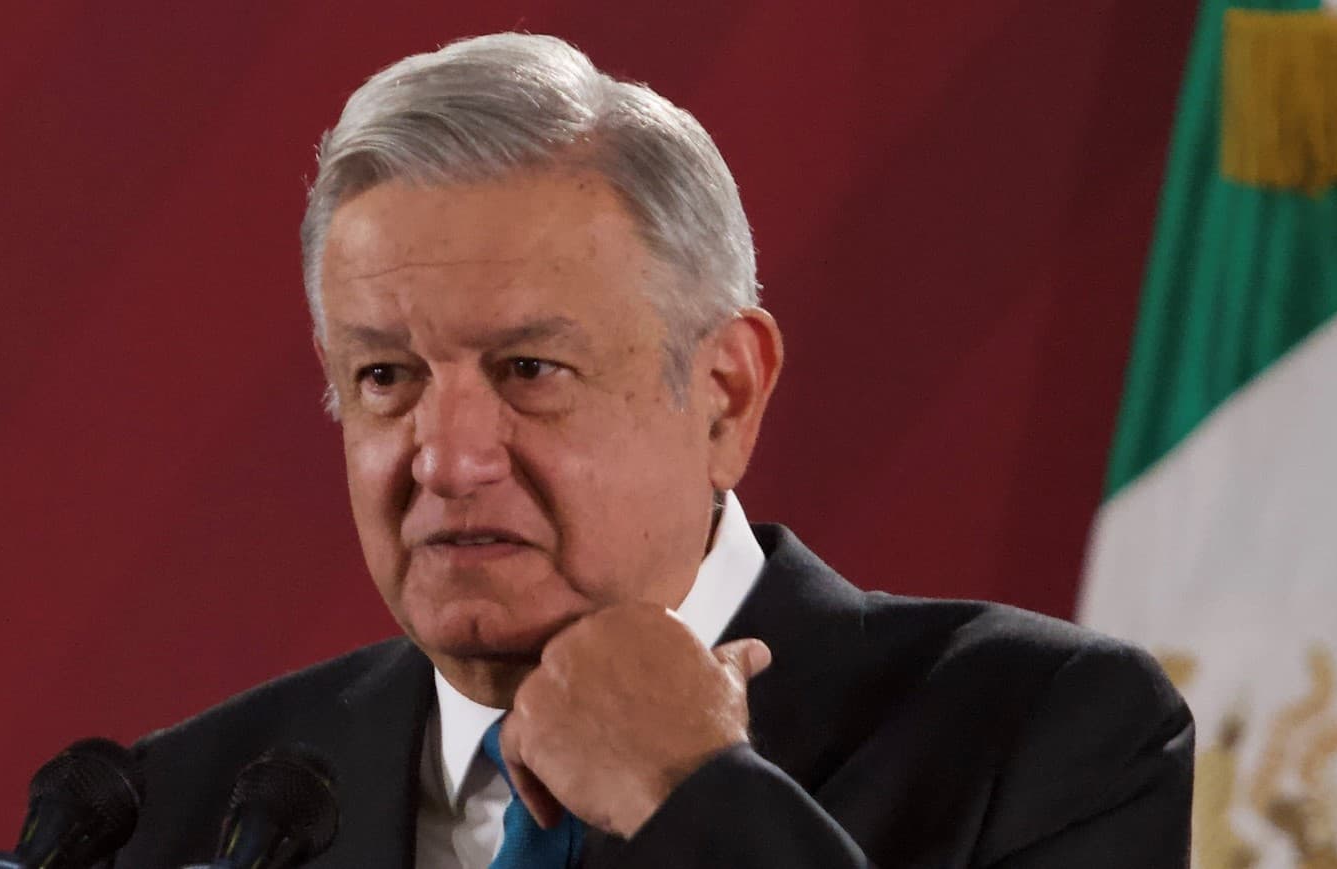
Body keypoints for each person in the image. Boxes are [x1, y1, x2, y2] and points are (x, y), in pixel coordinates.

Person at [113, 32, 1192, 869]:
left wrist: (694, 790)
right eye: (386, 377)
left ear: (723, 395)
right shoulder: (182, 806)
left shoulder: (1040, 732)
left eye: (528, 369)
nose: (444, 460)